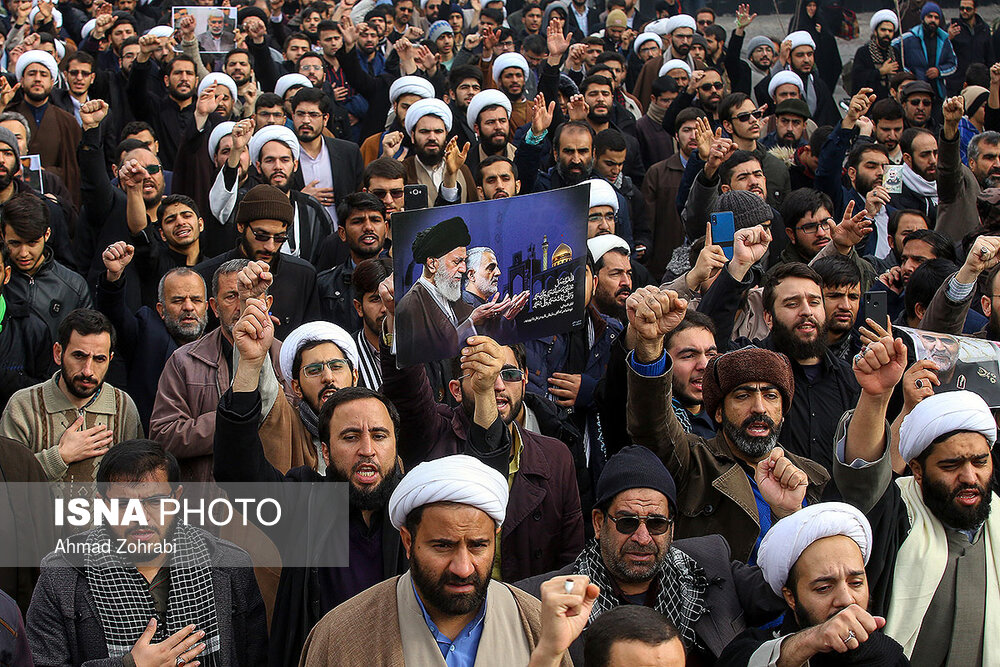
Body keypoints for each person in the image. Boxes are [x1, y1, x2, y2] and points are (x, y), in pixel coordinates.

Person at [214, 293, 411, 665]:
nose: (367, 449)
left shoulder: (413, 512)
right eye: (350, 437)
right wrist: (249, 369)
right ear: (325, 451)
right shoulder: (305, 507)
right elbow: (238, 470)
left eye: (379, 436)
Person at [518, 445, 784, 664]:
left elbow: (786, 591)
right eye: (627, 522)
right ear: (598, 523)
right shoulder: (545, 599)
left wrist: (787, 511)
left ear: (672, 526)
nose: (642, 538)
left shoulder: (710, 563)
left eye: (656, 523)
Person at [624, 282, 828, 563]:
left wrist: (789, 514)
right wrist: (649, 346)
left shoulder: (813, 478)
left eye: (770, 396)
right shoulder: (694, 464)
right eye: (743, 396)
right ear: (718, 412)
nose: (758, 408)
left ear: (783, 410)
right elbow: (652, 425)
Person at [834, 323, 1000, 665]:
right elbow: (862, 476)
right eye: (951, 465)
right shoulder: (897, 512)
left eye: (980, 462)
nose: (969, 477)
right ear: (919, 471)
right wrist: (876, 396)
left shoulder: (997, 516)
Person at [299, 454, 566, 666]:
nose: (463, 568)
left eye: (478, 546)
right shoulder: (342, 638)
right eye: (443, 546)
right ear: (407, 541)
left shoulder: (536, 627)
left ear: (495, 538)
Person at [25, 439, 268, 665]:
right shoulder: (62, 576)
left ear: (177, 498)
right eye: (123, 504)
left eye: (155, 501)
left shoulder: (229, 565)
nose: (140, 517)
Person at [717, 502, 909, 666]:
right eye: (824, 588)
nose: (846, 599)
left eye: (856, 583)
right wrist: (814, 639)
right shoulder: (747, 650)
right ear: (791, 597)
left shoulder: (889, 657)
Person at [0, 308, 142, 484]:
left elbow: (138, 482)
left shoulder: (123, 407)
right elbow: (7, 482)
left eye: (99, 359)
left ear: (110, 359)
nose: (88, 371)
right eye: (79, 356)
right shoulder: (23, 405)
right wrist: (59, 457)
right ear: (58, 353)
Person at [95, 242, 209, 429]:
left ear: (206, 307)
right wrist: (113, 277)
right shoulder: (146, 333)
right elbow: (114, 315)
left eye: (196, 300)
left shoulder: (218, 346)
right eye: (178, 300)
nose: (188, 307)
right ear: (161, 310)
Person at [195, 184, 320, 341]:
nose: (270, 246)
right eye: (261, 235)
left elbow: (312, 338)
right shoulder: (206, 274)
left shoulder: (302, 275)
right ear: (241, 226)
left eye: (280, 237)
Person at [394, 216, 520, 365]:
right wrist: (471, 321)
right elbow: (424, 364)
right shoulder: (410, 306)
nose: (464, 269)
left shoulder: (454, 299)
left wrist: (502, 320)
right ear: (433, 264)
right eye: (457, 262)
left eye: (464, 261)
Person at [1, 191, 91, 339]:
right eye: (15, 243)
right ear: (3, 236)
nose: (24, 253)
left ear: (47, 234)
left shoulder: (74, 287)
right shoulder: (2, 280)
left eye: (32, 243)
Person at [11, 50, 82, 205]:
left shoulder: (67, 121)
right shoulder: (9, 116)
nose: (37, 79)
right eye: (32, 74)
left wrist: (47, 173)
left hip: (54, 197)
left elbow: (75, 170)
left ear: (52, 82)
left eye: (43, 75)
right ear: (21, 80)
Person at [317, 193, 388, 331]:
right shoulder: (324, 284)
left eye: (375, 220)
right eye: (358, 221)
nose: (368, 227)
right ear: (342, 233)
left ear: (386, 228)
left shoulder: (403, 278)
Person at [892, 2, 957, 100]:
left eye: (936, 17)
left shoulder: (944, 40)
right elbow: (892, 47)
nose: (933, 20)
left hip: (937, 93)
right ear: (923, 18)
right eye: (929, 16)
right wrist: (906, 72)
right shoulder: (910, 37)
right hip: (914, 91)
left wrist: (939, 71)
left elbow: (953, 64)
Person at [352, 257, 393, 389]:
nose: (385, 308)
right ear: (359, 307)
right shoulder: (346, 354)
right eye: (376, 299)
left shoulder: (426, 349)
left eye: (392, 297)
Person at [891, 127, 938, 224]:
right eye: (925, 155)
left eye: (935, 153)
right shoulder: (892, 181)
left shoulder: (945, 178)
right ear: (907, 158)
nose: (933, 160)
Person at [852, 10, 900, 99]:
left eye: (890, 31)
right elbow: (858, 78)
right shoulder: (864, 52)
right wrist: (880, 72)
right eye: (883, 30)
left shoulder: (895, 52)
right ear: (875, 31)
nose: (887, 34)